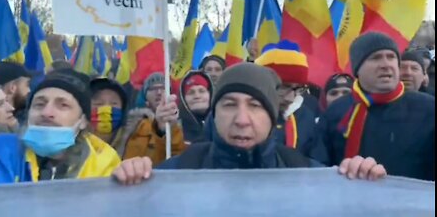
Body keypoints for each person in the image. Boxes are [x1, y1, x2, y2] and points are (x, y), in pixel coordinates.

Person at [113, 63, 387, 185]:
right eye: (229, 105)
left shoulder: (303, 172)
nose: (242, 120)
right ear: (214, 113)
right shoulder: (180, 171)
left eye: (255, 106)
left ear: (272, 117)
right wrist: (132, 181)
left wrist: (361, 182)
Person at [0, 69, 121, 185]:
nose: (47, 112)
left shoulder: (106, 169)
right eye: (39, 104)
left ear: (83, 120)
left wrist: (136, 175)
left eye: (63, 105)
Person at [317, 32, 435, 181]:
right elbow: (319, 165)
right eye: (376, 58)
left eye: (391, 57)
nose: (386, 64)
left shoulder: (428, 109)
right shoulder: (336, 111)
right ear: (357, 69)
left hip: (409, 201)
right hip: (350, 200)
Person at [255, 41, 323, 158]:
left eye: (298, 89)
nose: (290, 98)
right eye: (284, 87)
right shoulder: (239, 116)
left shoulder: (306, 117)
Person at [123, 72, 185, 166]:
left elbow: (178, 158)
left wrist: (166, 131)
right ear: (144, 96)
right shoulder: (132, 125)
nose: (159, 92)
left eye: (163, 88)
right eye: (153, 89)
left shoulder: (180, 124)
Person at [89, 77, 128, 156]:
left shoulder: (132, 142)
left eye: (114, 103)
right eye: (98, 103)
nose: (106, 108)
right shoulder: (73, 144)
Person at [178, 71, 213, 144]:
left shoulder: (222, 124)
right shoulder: (176, 129)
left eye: (202, 91)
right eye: (191, 92)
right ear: (183, 98)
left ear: (210, 94)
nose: (197, 96)